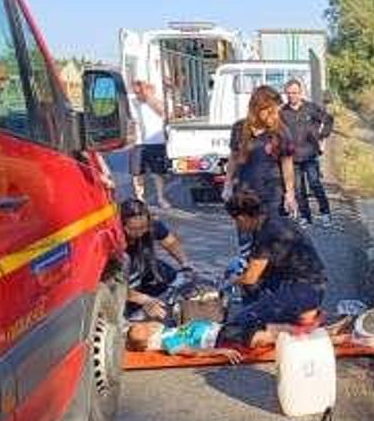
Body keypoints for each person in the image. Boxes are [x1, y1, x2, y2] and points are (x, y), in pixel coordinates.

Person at [222, 189, 327, 347]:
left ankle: (300, 325)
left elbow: (250, 278)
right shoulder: (276, 220)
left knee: (239, 325)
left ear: (243, 217)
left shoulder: (266, 234)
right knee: (237, 266)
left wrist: (231, 282)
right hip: (314, 283)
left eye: (235, 220)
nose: (236, 225)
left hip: (301, 290)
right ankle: (294, 315)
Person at [125, 315, 357, 360]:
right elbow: (189, 351)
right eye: (144, 330)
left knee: (278, 329)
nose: (147, 326)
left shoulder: (164, 331)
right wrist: (219, 351)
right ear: (146, 344)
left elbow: (153, 321)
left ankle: (329, 332)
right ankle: (331, 337)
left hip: (224, 329)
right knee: (277, 334)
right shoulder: (167, 341)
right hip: (223, 337)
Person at [222, 86, 298, 220]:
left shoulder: (281, 131)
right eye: (270, 111)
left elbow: (287, 163)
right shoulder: (239, 128)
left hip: (272, 196)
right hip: (244, 196)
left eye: (277, 111)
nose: (274, 115)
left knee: (271, 237)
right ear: (257, 109)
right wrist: (227, 185)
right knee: (247, 238)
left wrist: (290, 194)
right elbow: (233, 158)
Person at [120, 199, 191, 321]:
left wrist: (186, 264)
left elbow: (170, 242)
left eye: (143, 228)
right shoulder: (114, 244)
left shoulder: (151, 225)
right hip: (125, 285)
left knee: (176, 279)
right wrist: (144, 300)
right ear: (122, 225)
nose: (139, 233)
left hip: (145, 268)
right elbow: (114, 288)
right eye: (133, 229)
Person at [280, 79, 335, 228]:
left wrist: (322, 136)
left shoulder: (311, 108)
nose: (292, 96)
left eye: (295, 93)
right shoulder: (282, 112)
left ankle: (325, 213)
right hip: (292, 157)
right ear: (286, 94)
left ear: (301, 93)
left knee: (315, 183)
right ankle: (306, 217)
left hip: (310, 154)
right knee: (298, 189)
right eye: (289, 93)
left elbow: (328, 120)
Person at [129, 79, 170, 208]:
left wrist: (148, 97)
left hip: (156, 141)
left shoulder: (156, 102)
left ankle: (161, 198)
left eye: (140, 92)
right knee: (137, 173)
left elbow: (162, 112)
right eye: (136, 92)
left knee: (157, 173)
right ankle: (140, 198)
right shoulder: (133, 101)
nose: (138, 94)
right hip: (138, 143)